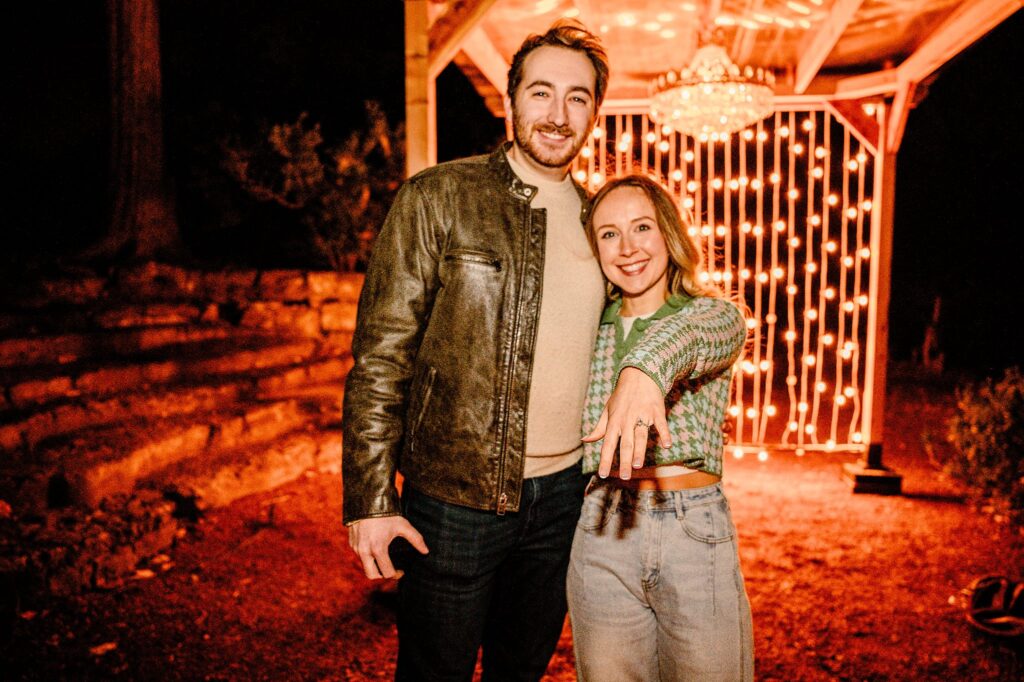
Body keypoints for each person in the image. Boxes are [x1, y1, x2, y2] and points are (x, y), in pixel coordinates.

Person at [343, 19, 677, 681]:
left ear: (594, 112)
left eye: (577, 98)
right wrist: (371, 499)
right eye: (541, 93)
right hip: (453, 497)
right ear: (510, 99)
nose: (558, 114)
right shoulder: (439, 197)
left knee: (519, 673)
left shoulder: (601, 222)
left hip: (564, 502)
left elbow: (666, 315)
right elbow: (382, 356)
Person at [567, 174, 754, 681]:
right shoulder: (587, 327)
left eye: (642, 227)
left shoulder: (711, 315)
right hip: (601, 526)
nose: (627, 248)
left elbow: (695, 336)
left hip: (692, 530)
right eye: (608, 234)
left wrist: (643, 369)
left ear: (668, 233)